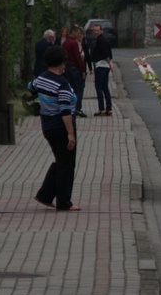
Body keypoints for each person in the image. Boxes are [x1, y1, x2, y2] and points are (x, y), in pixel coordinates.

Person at [28, 46, 81, 211]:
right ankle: (64, 202)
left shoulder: (41, 78)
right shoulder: (62, 84)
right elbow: (65, 111)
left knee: (61, 161)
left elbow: (31, 88)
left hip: (47, 125)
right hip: (61, 127)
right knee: (67, 164)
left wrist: (43, 99)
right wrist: (71, 134)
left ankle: (45, 195)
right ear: (62, 63)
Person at [90, 24, 114, 116]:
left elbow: (105, 53)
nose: (96, 32)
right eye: (94, 30)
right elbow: (109, 52)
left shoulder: (100, 40)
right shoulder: (105, 40)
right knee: (105, 87)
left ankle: (102, 108)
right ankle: (109, 108)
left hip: (100, 65)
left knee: (98, 87)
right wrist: (109, 63)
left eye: (97, 30)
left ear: (101, 30)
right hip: (105, 66)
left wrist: (109, 63)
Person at [63, 25, 87, 117]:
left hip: (67, 68)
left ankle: (71, 107)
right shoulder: (73, 43)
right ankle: (78, 108)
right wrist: (83, 70)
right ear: (73, 32)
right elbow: (78, 58)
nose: (78, 34)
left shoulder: (65, 42)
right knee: (79, 89)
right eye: (77, 32)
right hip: (74, 69)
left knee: (70, 88)